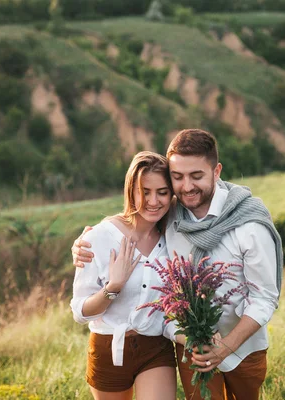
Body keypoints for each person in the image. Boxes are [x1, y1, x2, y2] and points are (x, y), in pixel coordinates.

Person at [72, 129, 283, 400]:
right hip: (189, 347)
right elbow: (138, 213)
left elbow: (264, 297)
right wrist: (86, 240)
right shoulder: (172, 214)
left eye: (196, 176)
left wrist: (225, 347)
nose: (186, 186)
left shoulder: (249, 224)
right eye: (178, 177)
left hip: (243, 347)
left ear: (216, 171)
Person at [69, 151, 177, 400]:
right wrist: (113, 287)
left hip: (155, 346)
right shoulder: (99, 238)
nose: (153, 201)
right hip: (109, 347)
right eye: (144, 191)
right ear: (131, 191)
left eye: (162, 192)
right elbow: (80, 312)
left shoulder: (173, 237)